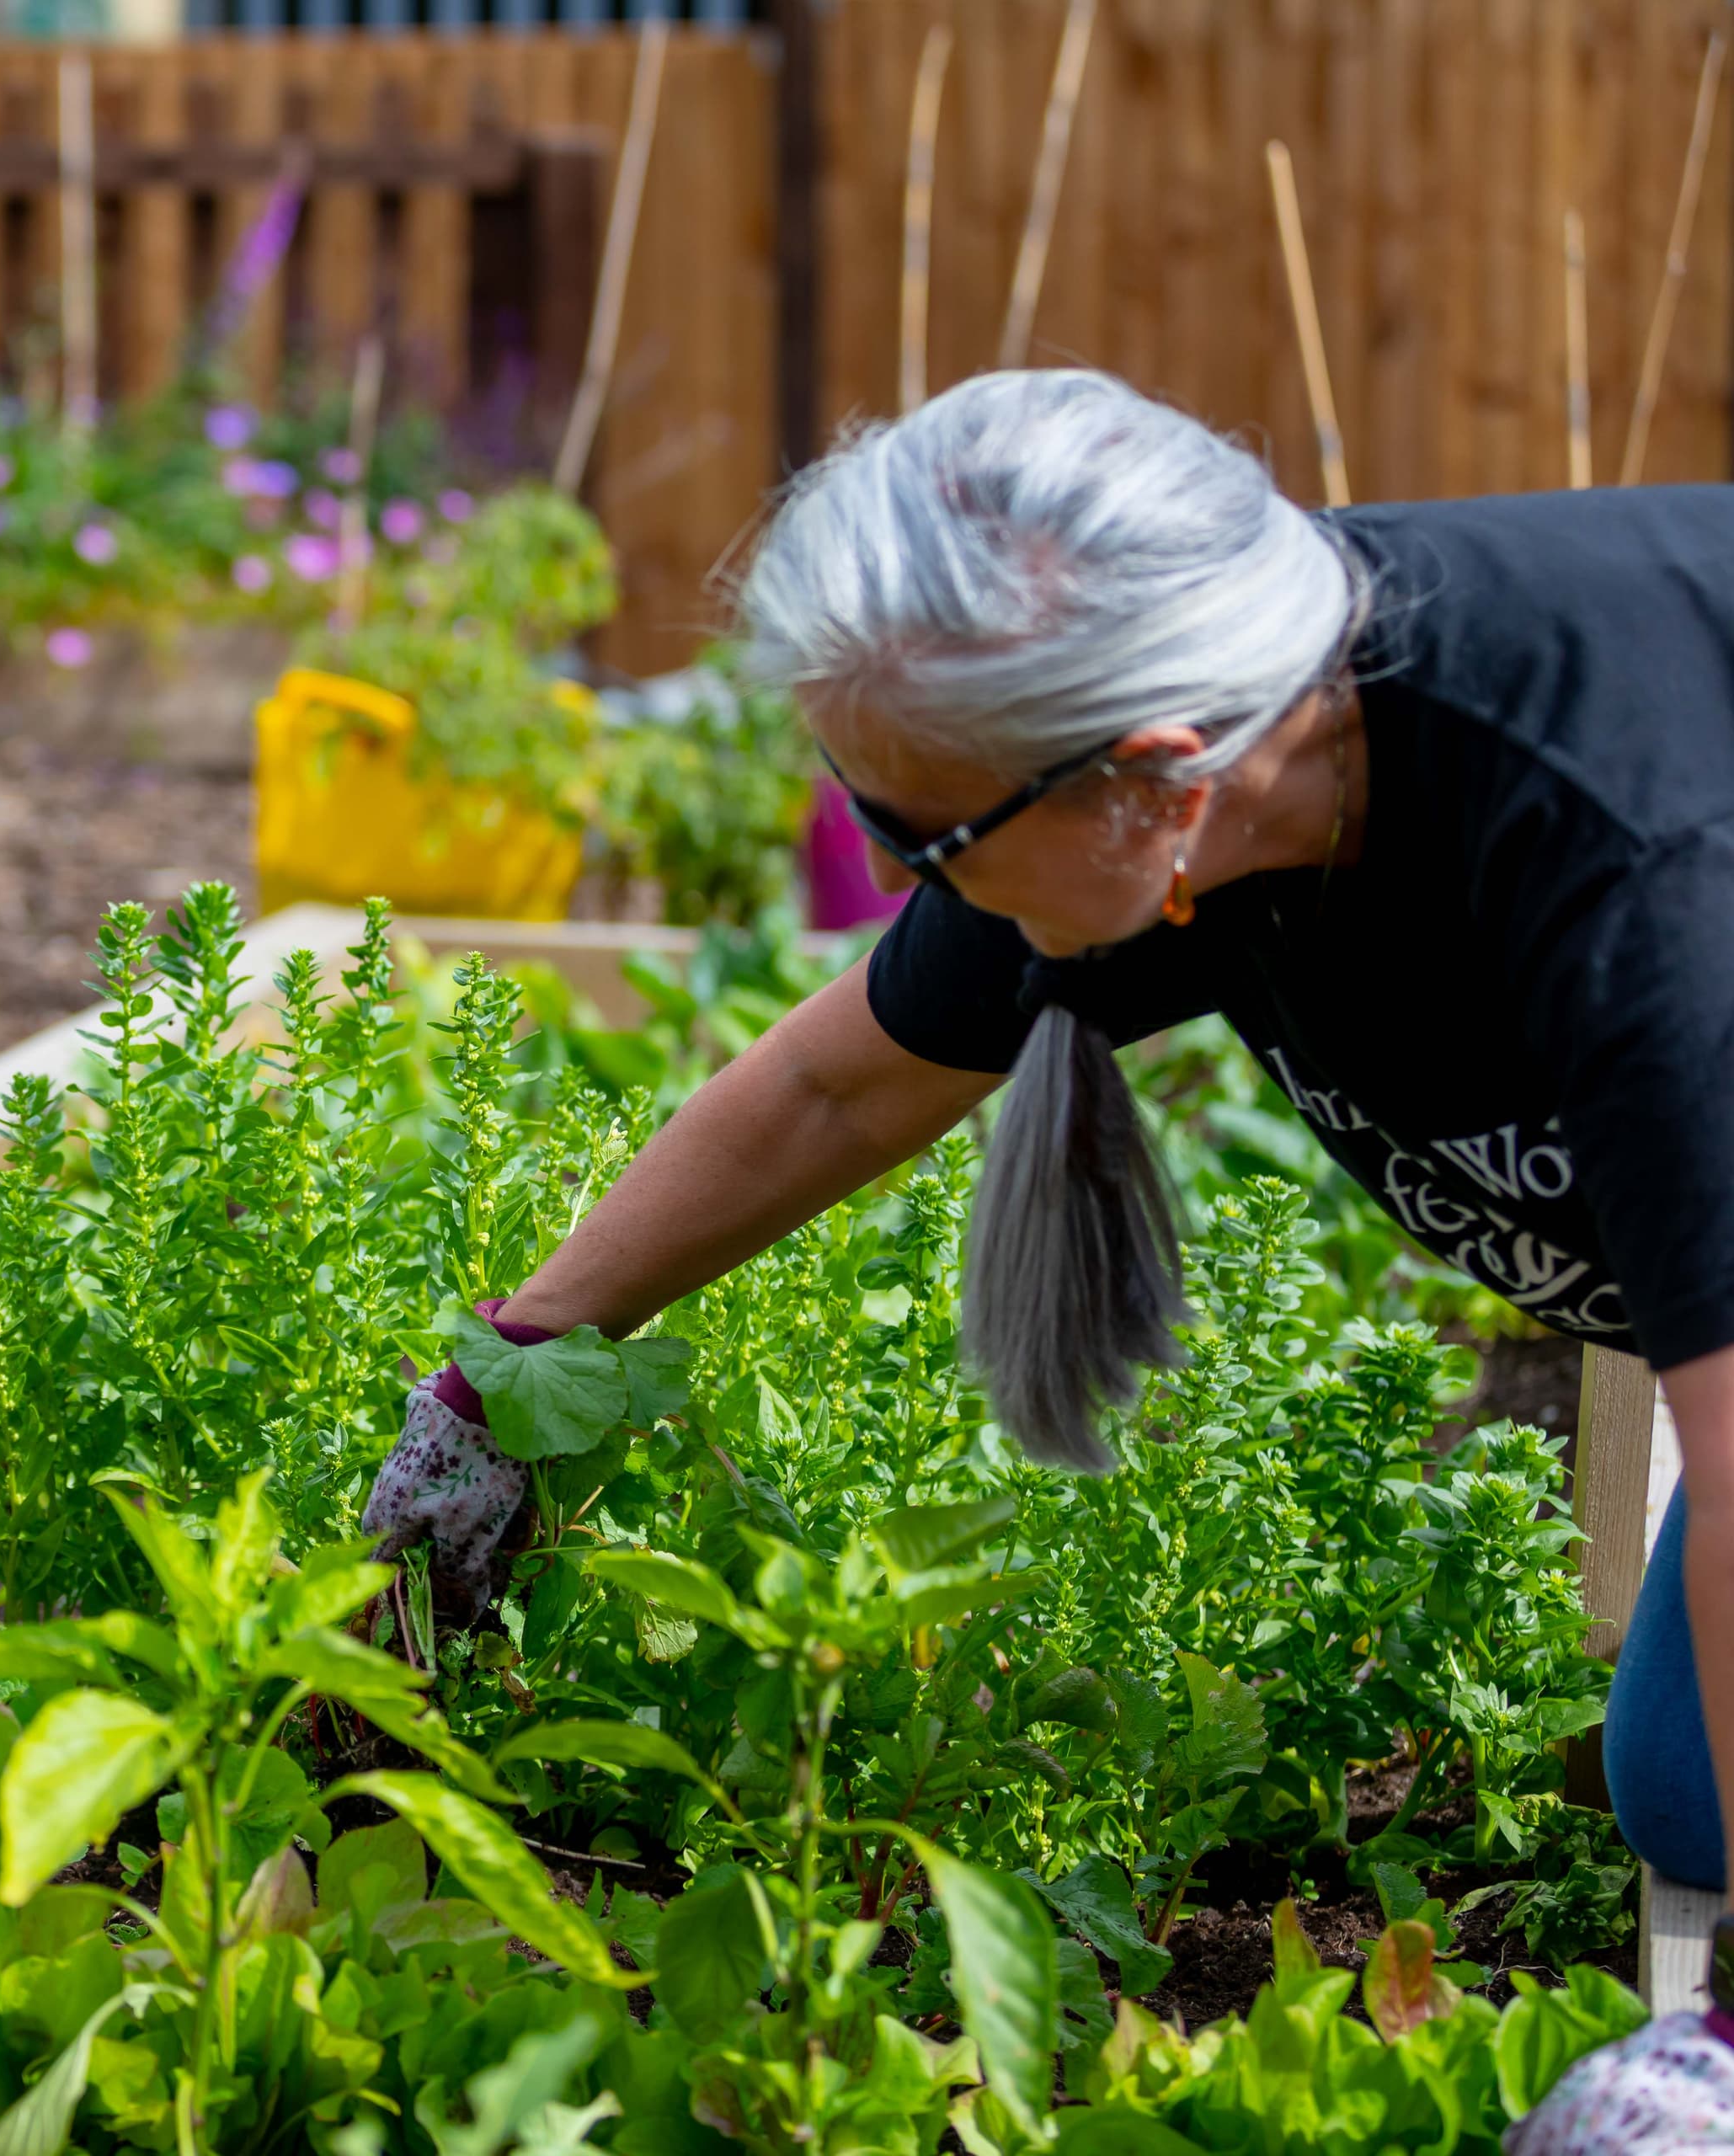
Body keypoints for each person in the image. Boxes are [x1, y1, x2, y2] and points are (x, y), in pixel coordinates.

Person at [358, 369, 1734, 1919]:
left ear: (1151, 776)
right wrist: (506, 1377)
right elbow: (838, 1087)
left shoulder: (1640, 897)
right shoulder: (1232, 734)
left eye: (920, 834)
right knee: (1689, 1800)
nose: (887, 874)